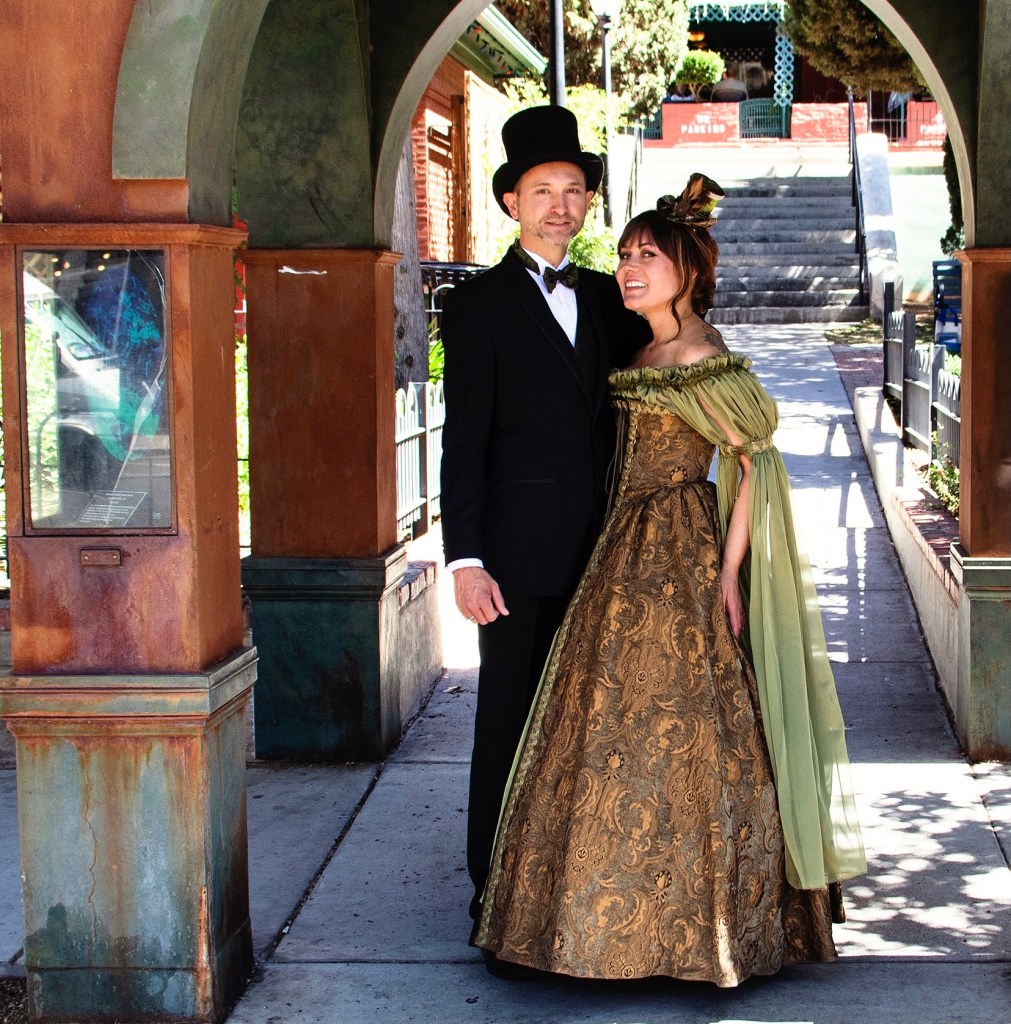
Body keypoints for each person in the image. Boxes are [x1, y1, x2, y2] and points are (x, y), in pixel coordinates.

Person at [473, 174, 866, 985]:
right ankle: (602, 924)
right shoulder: (639, 347)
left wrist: (728, 571)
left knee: (690, 731)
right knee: (607, 732)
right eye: (623, 254)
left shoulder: (700, 355)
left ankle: (701, 929)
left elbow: (754, 460)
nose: (628, 268)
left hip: (679, 549)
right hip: (617, 549)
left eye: (647, 256)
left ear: (687, 269)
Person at [439, 105, 649, 973]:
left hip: (611, 553)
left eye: (573, 190)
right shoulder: (475, 305)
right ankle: (493, 895)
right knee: (509, 723)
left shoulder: (607, 295)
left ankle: (574, 890)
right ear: (510, 203)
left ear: (588, 202)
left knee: (594, 725)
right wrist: (465, 559)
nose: (559, 205)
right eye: (541, 191)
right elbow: (462, 441)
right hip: (516, 560)